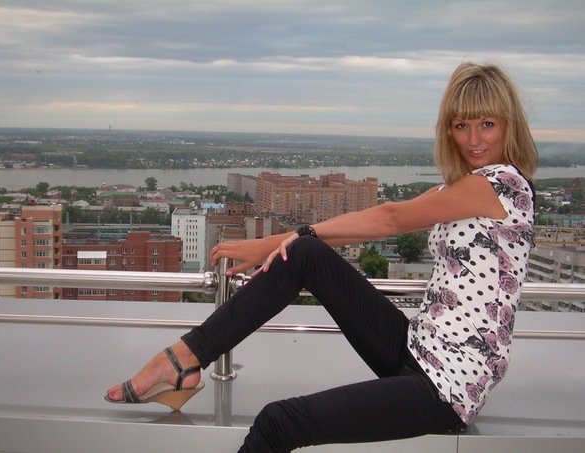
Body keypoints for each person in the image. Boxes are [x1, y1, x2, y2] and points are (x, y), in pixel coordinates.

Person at [105, 61, 538, 452]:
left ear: (509, 125)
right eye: (462, 125)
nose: (473, 139)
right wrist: (276, 243)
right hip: (418, 348)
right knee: (305, 253)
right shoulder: (460, 188)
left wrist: (281, 240)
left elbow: (390, 219)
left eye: (487, 124)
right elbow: (367, 223)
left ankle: (178, 366)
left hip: (446, 387)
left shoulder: (503, 184)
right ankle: (182, 360)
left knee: (279, 422)